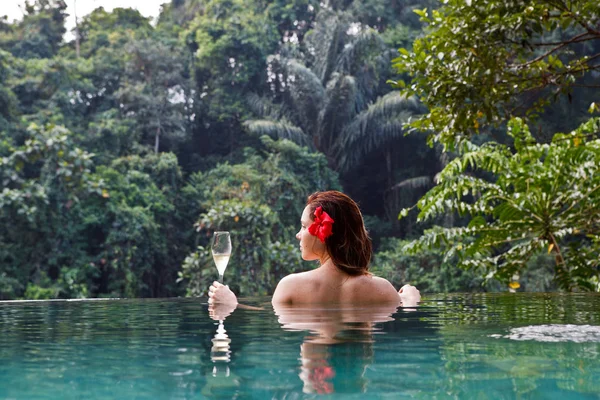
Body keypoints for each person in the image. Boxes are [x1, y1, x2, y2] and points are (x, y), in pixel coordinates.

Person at [208, 190, 421, 306]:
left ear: (323, 232)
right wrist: (410, 299)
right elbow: (402, 304)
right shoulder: (383, 289)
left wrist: (231, 304)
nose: (298, 234)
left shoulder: (291, 286)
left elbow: (271, 318)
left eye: (303, 226)